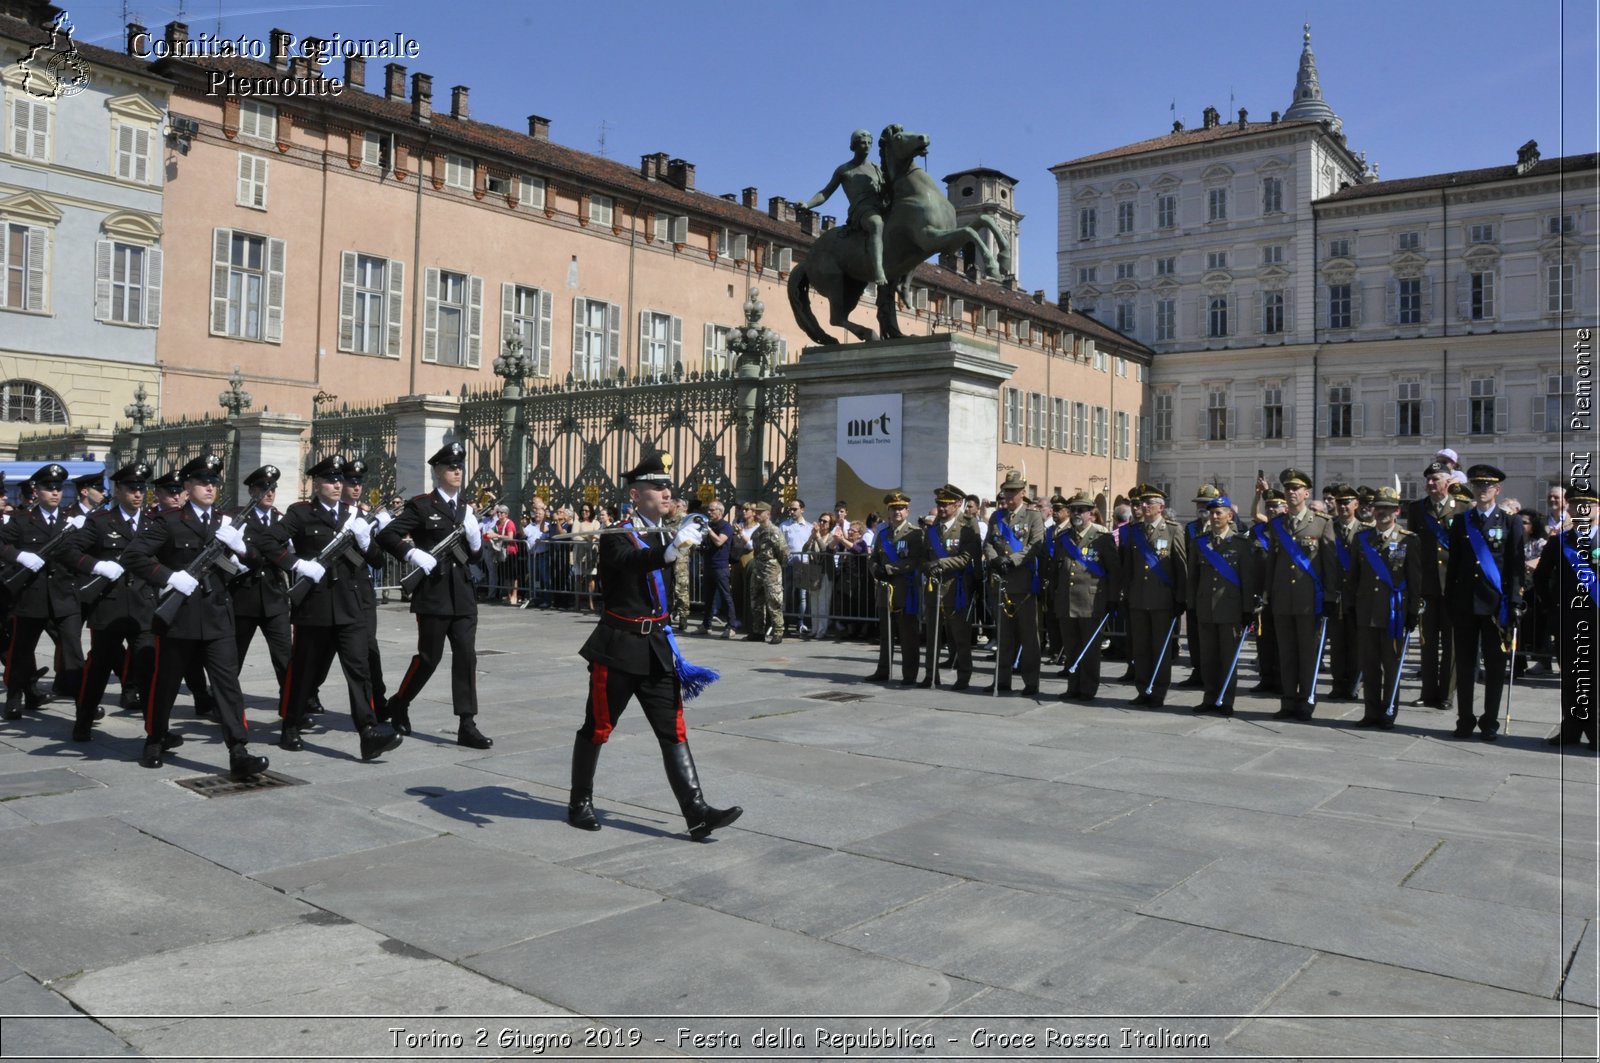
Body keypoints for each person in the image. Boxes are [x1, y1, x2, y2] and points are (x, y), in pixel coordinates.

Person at [566, 452, 742, 841]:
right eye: (657, 487)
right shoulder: (619, 535)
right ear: (635, 494)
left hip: (658, 647)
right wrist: (669, 549)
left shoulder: (665, 532)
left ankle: (696, 812)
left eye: (668, 486)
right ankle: (580, 802)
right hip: (620, 646)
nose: (667, 492)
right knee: (598, 727)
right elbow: (634, 561)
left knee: (673, 729)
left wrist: (675, 541)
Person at [120, 454, 269, 779]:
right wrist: (169, 577)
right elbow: (133, 555)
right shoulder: (170, 522)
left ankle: (238, 750)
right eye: (202, 482)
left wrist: (242, 548)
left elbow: (257, 561)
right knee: (166, 684)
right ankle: (155, 739)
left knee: (228, 686)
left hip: (218, 617)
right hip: (179, 619)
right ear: (187, 486)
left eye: (214, 482)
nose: (209, 487)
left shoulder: (226, 523)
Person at [265, 455, 402, 760]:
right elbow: (269, 542)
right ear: (316, 484)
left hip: (350, 606)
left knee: (359, 669)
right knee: (303, 672)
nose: (338, 485)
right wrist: (297, 564)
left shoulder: (354, 516)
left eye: (340, 480)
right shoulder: (300, 514)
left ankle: (368, 732)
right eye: (331, 480)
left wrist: (366, 543)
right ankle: (290, 724)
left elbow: (378, 560)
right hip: (314, 608)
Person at [375, 441, 492, 749]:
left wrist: (476, 541)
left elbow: (474, 557)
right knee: (429, 658)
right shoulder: (422, 505)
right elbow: (387, 535)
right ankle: (401, 701)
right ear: (438, 471)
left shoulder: (466, 508)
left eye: (460, 467)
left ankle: (467, 723)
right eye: (451, 467)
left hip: (463, 595)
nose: (457, 472)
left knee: (466, 657)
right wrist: (412, 553)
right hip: (434, 594)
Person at [59, 462, 156, 741]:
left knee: (148, 668)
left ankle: (155, 731)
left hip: (143, 606)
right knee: (99, 667)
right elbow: (68, 550)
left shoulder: (152, 522)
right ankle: (84, 719)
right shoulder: (102, 521)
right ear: (119, 489)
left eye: (142, 489)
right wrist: (97, 566)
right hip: (109, 605)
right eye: (132, 489)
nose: (138, 494)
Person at [304, 458, 391, 720]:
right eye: (349, 482)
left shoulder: (363, 515)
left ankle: (377, 700)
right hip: (330, 590)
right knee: (324, 650)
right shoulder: (325, 514)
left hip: (360, 589)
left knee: (368, 648)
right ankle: (308, 692)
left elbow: (377, 560)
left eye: (358, 483)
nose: (355, 488)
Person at [1445, 463, 1525, 741]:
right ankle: (1464, 719)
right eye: (1478, 485)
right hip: (1465, 604)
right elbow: (1454, 565)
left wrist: (1515, 602)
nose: (1482, 490)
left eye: (1487, 486)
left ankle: (1490, 721)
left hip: (1495, 606)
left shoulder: (1510, 522)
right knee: (1466, 666)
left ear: (1497, 490)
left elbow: (1516, 567)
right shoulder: (1461, 521)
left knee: (1495, 667)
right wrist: (1449, 600)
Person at [0, 463, 85, 719]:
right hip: (31, 595)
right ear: (36, 491)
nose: (55, 493)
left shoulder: (71, 521)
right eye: (49, 488)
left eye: (58, 488)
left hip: (64, 595)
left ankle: (84, 703)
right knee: (22, 650)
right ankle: (15, 695)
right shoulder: (22, 519)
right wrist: (19, 556)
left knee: (73, 650)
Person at [1262, 468, 1340, 721]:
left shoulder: (1321, 522)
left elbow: (1329, 563)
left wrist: (1330, 596)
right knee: (1286, 653)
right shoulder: (1277, 524)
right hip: (1283, 598)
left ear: (1306, 493)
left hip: (1310, 600)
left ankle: (1306, 699)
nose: (1291, 492)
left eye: (1296, 488)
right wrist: (1267, 593)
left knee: (1308, 653)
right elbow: (1272, 562)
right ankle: (1287, 700)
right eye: (1288, 488)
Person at [1346, 487, 1421, 729]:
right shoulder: (1362, 539)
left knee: (1391, 666)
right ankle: (1371, 711)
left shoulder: (1408, 539)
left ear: (1397, 511)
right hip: (1366, 611)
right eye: (1379, 508)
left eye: (1388, 508)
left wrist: (1411, 612)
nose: (1382, 513)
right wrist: (1349, 607)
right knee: (1369, 666)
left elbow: (1415, 579)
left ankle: (1388, 711)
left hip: (1394, 614)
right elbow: (1353, 578)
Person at [1537, 481, 1597, 748]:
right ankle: (1570, 730)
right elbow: (1541, 578)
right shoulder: (1559, 542)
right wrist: (1554, 606)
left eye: (1587, 505)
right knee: (1571, 677)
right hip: (1568, 620)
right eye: (1574, 504)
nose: (1580, 509)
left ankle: (1596, 732)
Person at [228, 465, 293, 713]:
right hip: (243, 596)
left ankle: (289, 703)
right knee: (233, 658)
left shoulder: (280, 519)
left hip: (275, 597)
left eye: (272, 488)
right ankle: (226, 703)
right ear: (252, 490)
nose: (269, 493)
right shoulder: (236, 517)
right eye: (264, 488)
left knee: (285, 656)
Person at [1406, 461, 1469, 710]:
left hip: (1453, 588)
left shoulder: (1462, 508)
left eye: (1436, 479)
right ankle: (1427, 692)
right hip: (1427, 588)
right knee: (1427, 643)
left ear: (1448, 482)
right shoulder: (1417, 509)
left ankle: (1447, 694)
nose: (1431, 484)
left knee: (1451, 645)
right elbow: (1412, 548)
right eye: (1429, 480)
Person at [1188, 494, 1256, 717]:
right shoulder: (1200, 542)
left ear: (1230, 515)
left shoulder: (1241, 545)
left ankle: (1226, 700)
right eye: (1212, 513)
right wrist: (1192, 605)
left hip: (1230, 609)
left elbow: (1247, 579)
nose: (1215, 516)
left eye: (1219, 513)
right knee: (1207, 658)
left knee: (1228, 658)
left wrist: (1247, 609)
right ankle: (1209, 697)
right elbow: (1193, 578)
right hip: (1205, 608)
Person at [1120, 484, 1187, 707]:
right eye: (1143, 502)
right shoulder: (1134, 531)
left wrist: (1180, 597)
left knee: (1160, 648)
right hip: (1138, 598)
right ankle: (1142, 688)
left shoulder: (1173, 529)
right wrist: (1126, 593)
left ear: (1161, 507)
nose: (1144, 506)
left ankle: (1158, 691)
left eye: (1150, 503)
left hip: (1162, 599)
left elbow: (1180, 566)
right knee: (1140, 648)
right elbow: (1128, 567)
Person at [1051, 491, 1121, 702]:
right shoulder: (1063, 538)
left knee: (1090, 649)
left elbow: (1114, 571)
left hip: (1092, 602)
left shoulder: (1102, 539)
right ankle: (1073, 685)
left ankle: (1088, 688)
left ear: (1092, 513)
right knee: (1071, 648)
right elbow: (1056, 569)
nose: (1076, 513)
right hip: (1067, 601)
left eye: (1081, 510)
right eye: (1073, 509)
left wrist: (1112, 598)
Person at [799, 129, 888, 285]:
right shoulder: (844, 170)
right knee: (876, 224)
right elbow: (825, 193)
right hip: (862, 210)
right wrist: (807, 204)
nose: (866, 145)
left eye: (869, 142)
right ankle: (878, 271)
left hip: (881, 206)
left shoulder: (876, 168)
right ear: (854, 146)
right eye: (862, 142)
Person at [984, 470, 1046, 695]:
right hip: (1000, 582)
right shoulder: (996, 517)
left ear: (1023, 493)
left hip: (1023, 583)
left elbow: (1036, 545)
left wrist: (1011, 560)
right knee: (1004, 636)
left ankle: (1031, 682)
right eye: (1006, 492)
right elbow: (988, 543)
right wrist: (995, 560)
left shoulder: (1033, 516)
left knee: (1029, 636)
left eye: (1013, 492)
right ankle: (1001, 680)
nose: (1008, 496)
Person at [921, 483, 982, 689]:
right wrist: (926, 567)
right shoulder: (933, 528)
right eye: (939, 504)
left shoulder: (967, 525)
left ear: (957, 504)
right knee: (932, 635)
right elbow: (923, 556)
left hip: (957, 588)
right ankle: (931, 675)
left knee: (960, 636)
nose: (943, 508)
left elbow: (967, 557)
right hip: (934, 588)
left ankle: (963, 676)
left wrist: (939, 563)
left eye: (947, 504)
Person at [867, 491, 926, 685]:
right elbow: (873, 557)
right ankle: (883, 670)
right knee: (886, 634)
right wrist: (875, 569)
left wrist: (890, 569)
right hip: (885, 590)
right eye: (893, 509)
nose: (897, 512)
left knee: (908, 635)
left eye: (900, 508)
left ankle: (909, 675)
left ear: (907, 511)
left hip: (905, 590)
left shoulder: (915, 533)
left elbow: (914, 560)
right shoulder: (883, 533)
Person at [1326, 483, 1371, 700]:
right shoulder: (1328, 527)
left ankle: (1353, 684)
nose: (1343, 507)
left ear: (1356, 505)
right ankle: (1337, 684)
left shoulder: (1365, 531)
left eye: (1347, 503)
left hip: (1356, 596)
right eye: (1340, 502)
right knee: (1337, 644)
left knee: (1355, 644)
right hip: (1335, 594)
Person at [1179, 484, 1221, 688]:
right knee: (1195, 633)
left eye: (1207, 504)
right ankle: (1198, 669)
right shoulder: (1191, 528)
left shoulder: (1228, 528)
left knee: (1215, 635)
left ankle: (1214, 672)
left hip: (1218, 591)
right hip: (1196, 588)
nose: (1202, 508)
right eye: (1200, 504)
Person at [746, 501, 786, 643]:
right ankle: (758, 631)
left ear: (767, 514)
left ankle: (778, 631)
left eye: (759, 512)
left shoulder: (774, 531)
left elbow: (783, 552)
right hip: (758, 570)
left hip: (771, 571)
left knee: (774, 601)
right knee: (756, 601)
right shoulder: (757, 532)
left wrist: (777, 568)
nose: (756, 514)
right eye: (755, 511)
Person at [698, 499, 739, 637]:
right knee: (708, 598)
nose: (709, 512)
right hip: (708, 565)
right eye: (708, 510)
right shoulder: (709, 525)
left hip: (720, 566)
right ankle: (706, 625)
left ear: (720, 512)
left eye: (712, 510)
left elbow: (719, 541)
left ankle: (731, 626)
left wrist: (709, 530)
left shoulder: (725, 526)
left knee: (725, 596)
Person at [779, 499, 813, 634]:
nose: (792, 511)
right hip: (789, 564)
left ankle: (801, 622)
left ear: (802, 509)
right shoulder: (784, 526)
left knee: (802, 595)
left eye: (795, 509)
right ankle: (785, 623)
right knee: (786, 595)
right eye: (790, 509)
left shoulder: (809, 527)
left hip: (804, 565)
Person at [801, 513, 837, 639]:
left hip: (826, 572)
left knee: (823, 602)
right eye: (820, 520)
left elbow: (826, 550)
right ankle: (814, 628)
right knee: (813, 601)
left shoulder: (832, 536)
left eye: (825, 522)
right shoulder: (815, 535)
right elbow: (804, 549)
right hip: (813, 571)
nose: (821, 523)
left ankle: (822, 630)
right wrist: (812, 536)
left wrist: (818, 538)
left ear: (830, 525)